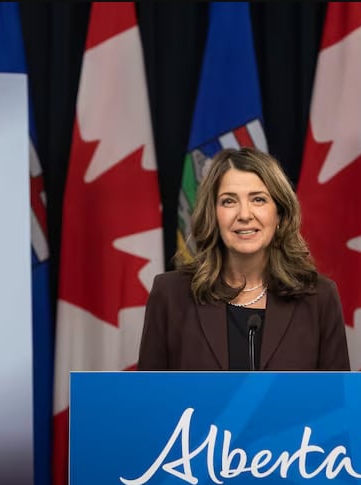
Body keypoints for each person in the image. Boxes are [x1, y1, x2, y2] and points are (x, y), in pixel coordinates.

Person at [137, 147, 350, 371]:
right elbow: (150, 399)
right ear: (213, 215)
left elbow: (336, 402)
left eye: (258, 199)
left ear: (279, 214)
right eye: (229, 201)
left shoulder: (318, 298)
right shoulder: (171, 295)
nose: (245, 215)